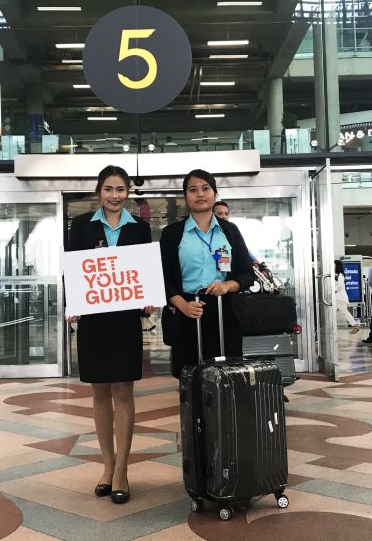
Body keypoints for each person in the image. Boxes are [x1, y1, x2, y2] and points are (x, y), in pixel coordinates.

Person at [65, 165, 153, 505]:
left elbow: (144, 271)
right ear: (99, 192)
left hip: (125, 318)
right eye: (109, 189)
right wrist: (73, 300)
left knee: (123, 390)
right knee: (99, 390)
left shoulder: (140, 228)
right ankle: (107, 465)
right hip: (93, 317)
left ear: (128, 192)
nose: (115, 196)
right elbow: (72, 266)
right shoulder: (82, 226)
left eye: (120, 189)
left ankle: (122, 471)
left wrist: (148, 296)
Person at [160, 170, 254, 377]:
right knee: (189, 377)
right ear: (185, 196)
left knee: (227, 377)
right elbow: (162, 277)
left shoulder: (230, 230)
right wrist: (182, 304)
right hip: (187, 310)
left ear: (214, 193)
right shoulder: (172, 233)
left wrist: (227, 286)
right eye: (193, 190)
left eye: (205, 189)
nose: (200, 194)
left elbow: (247, 273)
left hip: (224, 311)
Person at [213, 200, 260, 265]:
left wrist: (254, 260)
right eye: (220, 213)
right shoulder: (210, 235)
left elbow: (243, 250)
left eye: (226, 214)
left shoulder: (233, 232)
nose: (224, 216)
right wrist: (217, 257)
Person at [334, 259, 359, 334]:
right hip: (337, 297)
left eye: (334, 264)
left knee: (345, 312)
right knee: (343, 312)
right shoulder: (336, 274)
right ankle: (355, 326)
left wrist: (334, 290)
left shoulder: (340, 274)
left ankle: (355, 326)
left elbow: (340, 285)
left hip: (340, 297)